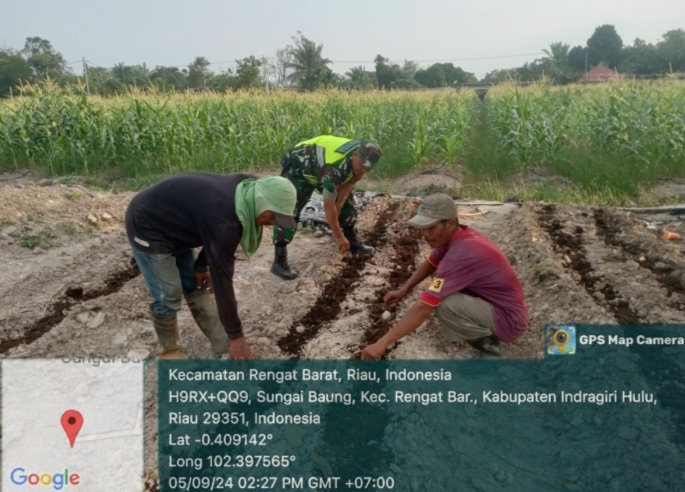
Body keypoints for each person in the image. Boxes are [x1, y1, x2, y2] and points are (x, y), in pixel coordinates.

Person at [125, 172, 296, 360]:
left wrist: (200, 266)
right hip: (148, 224)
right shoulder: (224, 214)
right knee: (169, 295)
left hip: (178, 223)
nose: (272, 223)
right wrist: (236, 337)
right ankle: (170, 352)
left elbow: (214, 234)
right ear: (262, 201)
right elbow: (222, 279)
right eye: (273, 216)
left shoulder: (250, 190)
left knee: (193, 285)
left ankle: (221, 343)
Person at [361, 194, 529, 360]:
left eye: (431, 227)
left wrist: (382, 343)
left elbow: (424, 308)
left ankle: (489, 348)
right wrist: (403, 290)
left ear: (449, 223)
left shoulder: (461, 254)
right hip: (497, 305)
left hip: (509, 321)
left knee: (444, 304)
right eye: (422, 228)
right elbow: (430, 263)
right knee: (438, 275)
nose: (425, 234)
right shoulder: (458, 236)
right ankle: (475, 321)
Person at [271, 135, 383, 280]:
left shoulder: (359, 164)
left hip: (320, 168)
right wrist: (338, 236)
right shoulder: (334, 169)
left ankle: (352, 241)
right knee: (290, 209)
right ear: (356, 155)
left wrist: (340, 204)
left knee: (346, 205)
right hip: (300, 165)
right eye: (362, 165)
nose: (363, 170)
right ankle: (279, 261)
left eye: (368, 168)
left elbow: (348, 185)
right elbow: (328, 205)